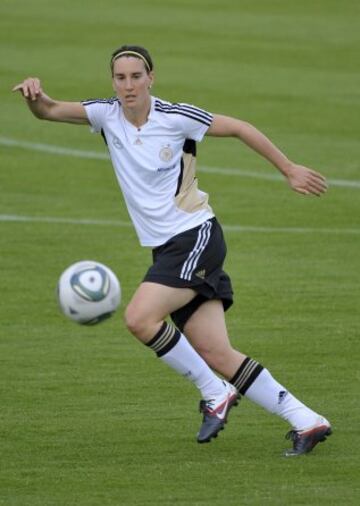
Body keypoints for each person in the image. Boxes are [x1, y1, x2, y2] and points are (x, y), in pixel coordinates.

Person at [13, 44, 332, 456]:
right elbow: (51, 111)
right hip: (167, 250)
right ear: (113, 81)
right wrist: (36, 99)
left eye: (136, 76)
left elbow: (239, 127)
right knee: (216, 351)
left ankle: (214, 393)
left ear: (151, 78)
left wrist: (288, 169)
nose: (128, 85)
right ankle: (307, 420)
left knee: (140, 318)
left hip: (195, 237)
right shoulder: (106, 114)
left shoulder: (176, 117)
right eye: (120, 77)